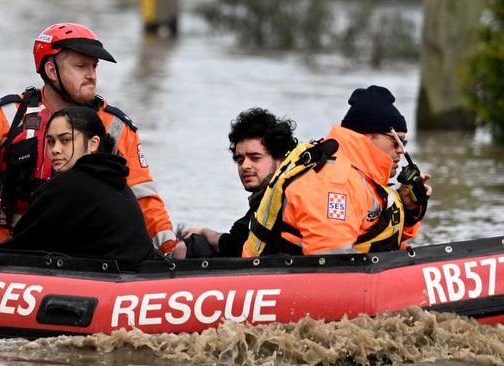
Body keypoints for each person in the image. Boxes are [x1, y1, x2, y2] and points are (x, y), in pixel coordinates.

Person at [0, 23, 177, 253]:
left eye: (94, 67)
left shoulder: (116, 127)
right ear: (51, 71)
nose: (92, 75)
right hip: (14, 236)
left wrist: (170, 247)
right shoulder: (4, 117)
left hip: (87, 244)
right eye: (81, 66)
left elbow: (143, 199)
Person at [242, 85, 433, 256]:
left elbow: (373, 234)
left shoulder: (360, 176)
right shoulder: (334, 182)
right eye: (397, 141)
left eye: (404, 142)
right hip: (275, 277)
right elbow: (331, 260)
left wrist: (408, 209)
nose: (401, 150)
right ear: (368, 136)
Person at [0, 106, 157, 270]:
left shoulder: (64, 187)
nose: (55, 150)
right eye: (51, 142)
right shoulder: (116, 179)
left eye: (65, 140)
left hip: (105, 282)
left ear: (93, 143)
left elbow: (20, 248)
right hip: (139, 276)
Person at [179, 108, 298, 257]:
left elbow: (234, 245)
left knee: (187, 248)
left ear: (281, 160)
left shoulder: (285, 199)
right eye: (240, 160)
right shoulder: (266, 200)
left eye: (255, 157)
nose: (245, 166)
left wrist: (204, 232)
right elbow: (239, 240)